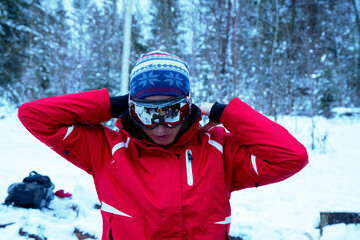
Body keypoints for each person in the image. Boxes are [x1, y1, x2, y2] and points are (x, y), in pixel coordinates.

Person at [18, 51, 308, 240]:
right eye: (146, 112)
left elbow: (291, 157)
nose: (160, 125)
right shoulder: (106, 150)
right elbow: (34, 115)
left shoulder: (219, 151)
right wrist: (110, 104)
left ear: (188, 106)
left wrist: (225, 113)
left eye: (172, 112)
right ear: (131, 109)